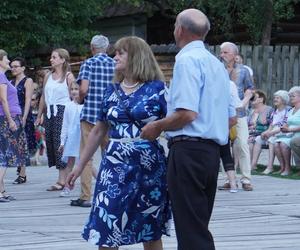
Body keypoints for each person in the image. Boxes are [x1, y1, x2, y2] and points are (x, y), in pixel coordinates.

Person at [66, 36, 171, 249]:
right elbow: (98, 130)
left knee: (149, 227)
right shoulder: (111, 90)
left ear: (136, 56)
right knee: (106, 225)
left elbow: (173, 123)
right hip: (114, 163)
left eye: (121, 52)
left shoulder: (158, 89)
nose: (115, 56)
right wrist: (78, 166)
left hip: (149, 167)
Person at [141, 9, 230, 250]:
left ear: (179, 30)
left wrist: (156, 126)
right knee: (198, 224)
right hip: (211, 153)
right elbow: (231, 116)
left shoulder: (186, 60)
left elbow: (187, 113)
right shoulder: (217, 64)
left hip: (188, 151)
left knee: (191, 231)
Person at [70, 35, 115, 208]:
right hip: (110, 115)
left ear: (92, 47)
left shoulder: (88, 64)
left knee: (86, 156)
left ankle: (86, 196)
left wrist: (81, 99)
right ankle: (110, 193)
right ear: (107, 47)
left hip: (90, 115)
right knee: (109, 155)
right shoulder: (114, 64)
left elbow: (83, 88)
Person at [35, 48, 75, 191]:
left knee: (61, 145)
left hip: (63, 112)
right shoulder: (48, 76)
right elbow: (44, 97)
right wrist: (39, 115)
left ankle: (62, 180)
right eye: (51, 57)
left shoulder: (69, 76)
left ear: (62, 60)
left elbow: (74, 96)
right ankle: (64, 177)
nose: (51, 60)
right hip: (50, 113)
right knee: (52, 144)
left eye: (54, 57)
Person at [219, 41, 254, 191]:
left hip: (239, 111)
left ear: (234, 54)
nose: (222, 55)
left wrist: (244, 102)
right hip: (221, 111)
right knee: (224, 145)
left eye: (225, 52)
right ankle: (228, 178)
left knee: (242, 144)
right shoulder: (217, 70)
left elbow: (250, 89)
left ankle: (246, 179)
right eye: (221, 52)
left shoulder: (244, 71)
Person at [0, 49, 28, 202]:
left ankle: (2, 191)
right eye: (6, 59)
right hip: (7, 118)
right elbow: (3, 100)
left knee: (3, 155)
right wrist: (10, 120)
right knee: (5, 156)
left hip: (5, 117)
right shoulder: (1, 77)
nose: (9, 61)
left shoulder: (2, 77)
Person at [10, 57, 36, 184]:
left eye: (16, 66)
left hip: (23, 114)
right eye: (12, 66)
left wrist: (24, 117)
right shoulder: (11, 81)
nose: (13, 68)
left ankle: (23, 174)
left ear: (23, 68)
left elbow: (28, 101)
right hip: (12, 115)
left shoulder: (28, 81)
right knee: (14, 143)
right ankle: (20, 168)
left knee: (22, 144)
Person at [58, 81, 83, 197]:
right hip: (72, 138)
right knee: (70, 163)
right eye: (72, 89)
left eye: (76, 89)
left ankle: (99, 181)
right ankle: (67, 187)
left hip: (83, 137)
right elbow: (65, 124)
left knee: (86, 162)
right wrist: (62, 142)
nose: (73, 91)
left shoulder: (86, 106)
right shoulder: (68, 105)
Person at [275, 86, 300, 176]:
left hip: (297, 134)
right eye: (290, 96)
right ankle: (285, 168)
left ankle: (295, 168)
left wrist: (289, 129)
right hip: (289, 134)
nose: (291, 98)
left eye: (293, 96)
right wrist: (283, 127)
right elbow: (286, 123)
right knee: (277, 143)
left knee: (286, 143)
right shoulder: (291, 110)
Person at [247, 90, 272, 170]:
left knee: (254, 139)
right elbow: (248, 124)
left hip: (263, 133)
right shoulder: (251, 111)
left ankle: (253, 164)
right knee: (249, 141)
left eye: (255, 97)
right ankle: (249, 164)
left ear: (261, 99)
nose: (252, 99)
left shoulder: (268, 109)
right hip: (251, 134)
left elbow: (270, 123)